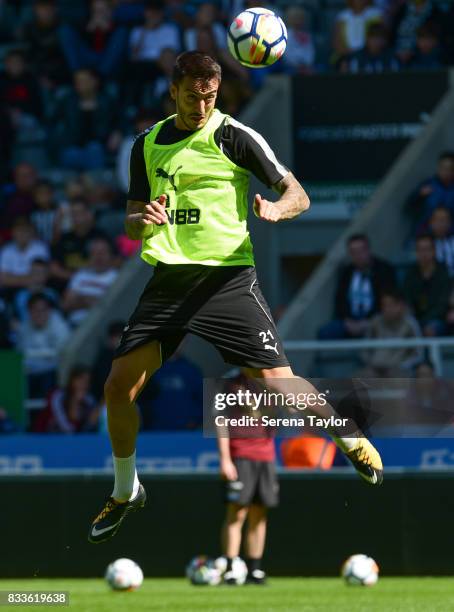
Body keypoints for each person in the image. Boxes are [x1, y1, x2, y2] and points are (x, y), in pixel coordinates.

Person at [87, 51, 383, 545]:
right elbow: (131, 216)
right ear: (173, 91)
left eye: (209, 95)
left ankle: (348, 435)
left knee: (280, 386)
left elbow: (298, 193)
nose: (201, 105)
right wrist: (145, 220)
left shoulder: (235, 136)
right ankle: (125, 489)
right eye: (192, 95)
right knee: (118, 388)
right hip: (169, 280)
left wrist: (277, 210)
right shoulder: (147, 144)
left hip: (226, 281)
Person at [218, 376, 277, 585]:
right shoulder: (233, 384)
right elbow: (221, 421)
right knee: (237, 512)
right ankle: (231, 568)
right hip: (240, 455)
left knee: (259, 513)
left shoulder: (272, 381)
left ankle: (254, 569)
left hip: (266, 456)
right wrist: (225, 459)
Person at [318, 234, 396, 340]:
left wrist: (368, 322)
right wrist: (347, 321)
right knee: (326, 332)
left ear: (368, 250)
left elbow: (389, 300)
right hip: (349, 321)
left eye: (361, 251)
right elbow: (339, 301)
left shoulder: (384, 270)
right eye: (354, 252)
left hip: (375, 320)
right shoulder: (346, 272)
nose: (358, 255)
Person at [15, 292, 70, 400]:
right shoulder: (24, 328)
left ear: (50, 310)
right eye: (35, 310)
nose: (39, 314)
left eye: (43, 310)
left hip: (51, 373)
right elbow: (21, 357)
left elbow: (61, 358)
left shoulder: (60, 327)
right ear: (29, 311)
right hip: (29, 374)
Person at [359, 291, 422, 377]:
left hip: (399, 370)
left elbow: (418, 354)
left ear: (401, 306)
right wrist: (371, 364)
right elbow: (364, 350)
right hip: (375, 368)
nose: (386, 309)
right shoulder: (375, 322)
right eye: (384, 305)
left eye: (390, 305)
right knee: (358, 379)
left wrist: (402, 366)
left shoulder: (410, 324)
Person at [62, 237, 118, 325]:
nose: (99, 257)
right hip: (74, 325)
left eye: (102, 253)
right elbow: (66, 305)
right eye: (95, 253)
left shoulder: (116, 277)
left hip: (101, 324)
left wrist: (80, 300)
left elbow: (112, 306)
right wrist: (90, 301)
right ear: (89, 255)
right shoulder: (79, 275)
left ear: (110, 255)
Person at [403, 234, 450, 336]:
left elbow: (443, 304)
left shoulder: (443, 272)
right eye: (420, 250)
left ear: (434, 251)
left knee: (430, 329)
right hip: (415, 318)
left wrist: (424, 320)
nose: (423, 253)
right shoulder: (411, 273)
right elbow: (407, 298)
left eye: (427, 249)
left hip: (438, 318)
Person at [407, 152, 454, 230]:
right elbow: (409, 207)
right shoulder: (428, 184)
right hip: (425, 233)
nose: (446, 172)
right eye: (443, 168)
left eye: (450, 169)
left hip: (449, 235)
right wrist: (419, 195)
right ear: (438, 168)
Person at [428, 207, 454, 277]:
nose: (441, 223)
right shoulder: (426, 244)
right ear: (431, 222)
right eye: (438, 220)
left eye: (444, 220)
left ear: (450, 223)